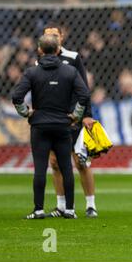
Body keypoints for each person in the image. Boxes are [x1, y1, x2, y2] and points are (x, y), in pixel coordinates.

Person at [12, 34, 90, 219]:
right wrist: (76, 115)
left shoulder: (32, 72)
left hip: (39, 125)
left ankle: (38, 210)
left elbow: (16, 96)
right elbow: (84, 95)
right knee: (66, 167)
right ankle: (69, 210)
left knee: (40, 168)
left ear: (40, 50)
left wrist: (26, 112)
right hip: (63, 125)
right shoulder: (69, 72)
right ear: (57, 50)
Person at [42, 24, 98, 218]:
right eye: (48, 35)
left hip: (73, 117)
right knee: (55, 162)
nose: (51, 38)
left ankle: (91, 205)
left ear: (62, 37)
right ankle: (61, 205)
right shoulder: (39, 60)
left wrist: (86, 114)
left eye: (54, 35)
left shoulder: (73, 58)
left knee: (81, 162)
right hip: (51, 118)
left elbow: (83, 87)